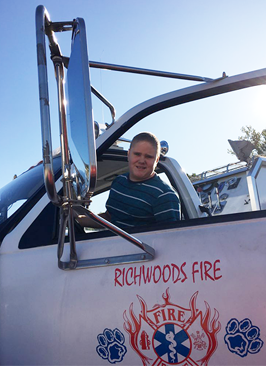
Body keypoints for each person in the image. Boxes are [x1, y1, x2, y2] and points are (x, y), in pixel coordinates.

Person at [77, 132, 181, 228]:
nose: (141, 161)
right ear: (128, 154)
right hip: (111, 246)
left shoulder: (165, 196)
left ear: (157, 160)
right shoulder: (119, 182)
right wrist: (77, 219)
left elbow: (170, 239)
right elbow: (110, 218)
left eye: (148, 157)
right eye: (137, 154)